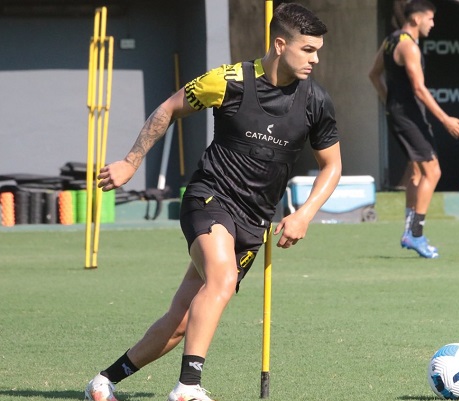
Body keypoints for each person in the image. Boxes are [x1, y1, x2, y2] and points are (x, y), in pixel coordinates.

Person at [84, 3, 341, 401]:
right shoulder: (228, 81)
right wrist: (131, 162)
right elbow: (169, 108)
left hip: (254, 222)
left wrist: (304, 214)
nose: (316, 59)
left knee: (183, 321)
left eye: (317, 50)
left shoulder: (316, 101)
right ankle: (187, 387)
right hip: (210, 197)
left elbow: (332, 166)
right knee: (221, 281)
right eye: (308, 49)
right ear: (279, 44)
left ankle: (104, 381)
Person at [368, 0, 459, 259]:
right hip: (409, 118)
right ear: (416, 19)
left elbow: (373, 74)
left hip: (401, 115)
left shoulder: (390, 41)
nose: (432, 24)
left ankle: (409, 231)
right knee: (433, 172)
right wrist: (445, 119)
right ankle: (415, 233)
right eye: (430, 19)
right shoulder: (408, 46)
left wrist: (390, 104)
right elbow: (419, 89)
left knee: (416, 173)